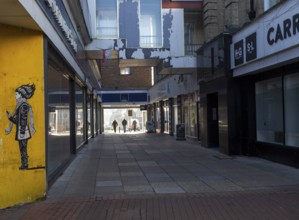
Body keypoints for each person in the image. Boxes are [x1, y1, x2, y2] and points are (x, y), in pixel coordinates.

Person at [5, 84, 36, 170]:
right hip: (22, 131)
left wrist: (22, 132)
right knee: (22, 149)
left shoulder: (23, 106)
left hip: (23, 132)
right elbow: (18, 121)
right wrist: (10, 118)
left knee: (23, 149)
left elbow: (23, 120)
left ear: (21, 95)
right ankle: (24, 164)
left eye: (16, 94)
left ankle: (25, 165)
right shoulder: (21, 105)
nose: (15, 95)